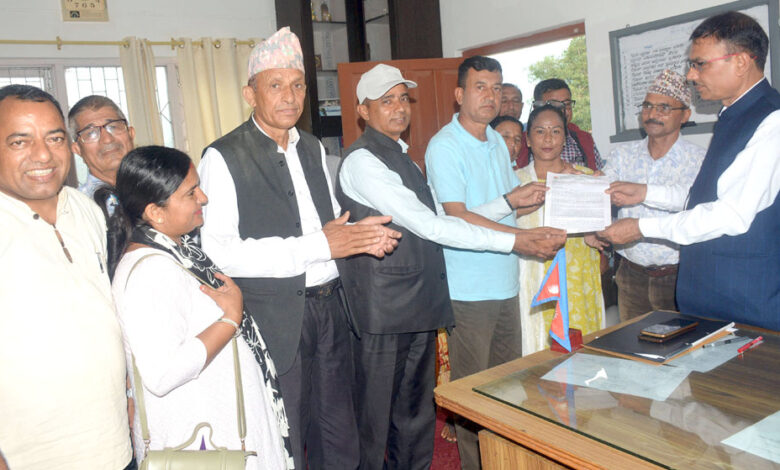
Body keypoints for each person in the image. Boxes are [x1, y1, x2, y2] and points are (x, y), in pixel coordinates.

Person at [336, 64, 563, 470]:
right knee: (374, 422)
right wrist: (515, 240)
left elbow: (443, 217)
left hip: (418, 303)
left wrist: (509, 204)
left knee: (415, 416)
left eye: (402, 98)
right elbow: (430, 226)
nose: (399, 108)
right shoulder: (363, 162)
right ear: (363, 111)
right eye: (385, 101)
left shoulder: (404, 158)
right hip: (382, 312)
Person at [198, 27, 401, 470]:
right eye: (275, 85)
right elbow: (219, 252)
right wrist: (320, 243)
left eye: (297, 85)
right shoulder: (223, 156)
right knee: (285, 432)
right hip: (275, 317)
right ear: (250, 94)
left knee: (339, 433)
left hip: (332, 309)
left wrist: (358, 235)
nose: (289, 97)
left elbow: (325, 228)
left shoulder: (312, 146)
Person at [104, 146, 290, 469]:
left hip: (220, 430)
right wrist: (230, 319)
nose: (203, 198)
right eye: (191, 193)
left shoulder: (179, 252)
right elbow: (163, 373)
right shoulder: (152, 270)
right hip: (202, 442)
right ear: (156, 212)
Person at [425, 56, 565, 470]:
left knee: (508, 388)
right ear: (459, 94)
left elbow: (508, 209)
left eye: (496, 87)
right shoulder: (445, 146)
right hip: (469, 288)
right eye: (480, 87)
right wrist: (517, 223)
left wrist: (542, 209)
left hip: (506, 281)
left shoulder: (495, 142)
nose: (490, 96)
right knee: (474, 394)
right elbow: (456, 217)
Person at [598, 11, 780, 331]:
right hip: (713, 300)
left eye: (700, 64)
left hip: (747, 304)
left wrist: (642, 227)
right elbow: (706, 197)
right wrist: (646, 193)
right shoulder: (733, 115)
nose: (692, 75)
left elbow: (730, 214)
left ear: (741, 62)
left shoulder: (771, 121)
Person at [0, 84, 133, 469]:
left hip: (113, 447)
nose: (43, 154)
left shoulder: (87, 209)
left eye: (54, 138)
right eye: (20, 141)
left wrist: (128, 393)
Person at [596, 69, 705, 322]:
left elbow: (693, 203)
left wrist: (642, 193)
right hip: (630, 275)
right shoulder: (622, 155)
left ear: (685, 115)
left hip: (679, 277)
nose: (652, 114)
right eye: (647, 106)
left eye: (664, 108)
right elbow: (599, 191)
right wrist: (581, 182)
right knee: (633, 342)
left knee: (682, 344)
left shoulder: (699, 159)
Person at [516, 104, 605, 354]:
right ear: (528, 139)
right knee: (539, 351)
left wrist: (596, 228)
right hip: (535, 277)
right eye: (540, 131)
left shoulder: (585, 177)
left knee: (583, 347)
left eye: (556, 131)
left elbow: (602, 229)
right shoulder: (515, 182)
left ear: (565, 139)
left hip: (579, 276)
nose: (548, 139)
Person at [517, 78, 603, 171]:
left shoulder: (585, 140)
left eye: (567, 104)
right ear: (536, 108)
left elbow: (601, 175)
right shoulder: (519, 143)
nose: (563, 110)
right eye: (554, 105)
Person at [68, 95, 135, 198]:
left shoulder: (160, 189)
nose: (107, 139)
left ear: (131, 133)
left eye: (113, 127)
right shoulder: (76, 205)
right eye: (91, 133)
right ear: (77, 149)